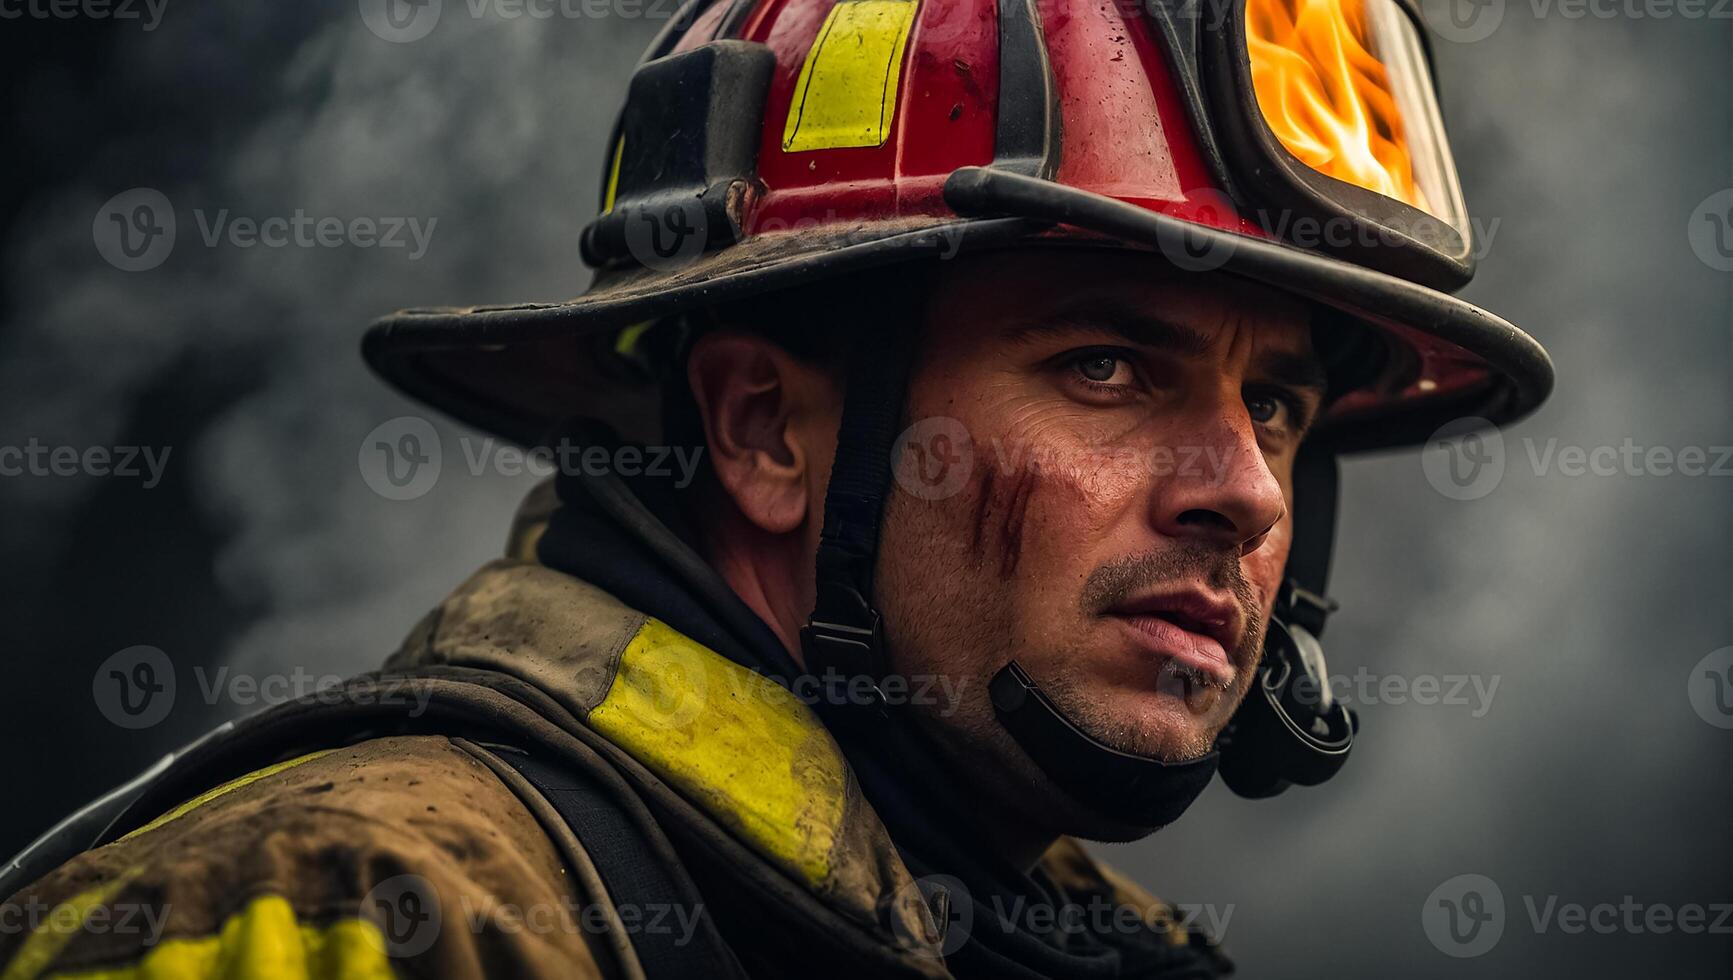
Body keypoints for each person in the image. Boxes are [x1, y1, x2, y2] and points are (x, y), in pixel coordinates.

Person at [0, 1, 1552, 977]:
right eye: (1106, 368)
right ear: (760, 429)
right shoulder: (356, 912)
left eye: (1275, 403)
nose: (1244, 494)